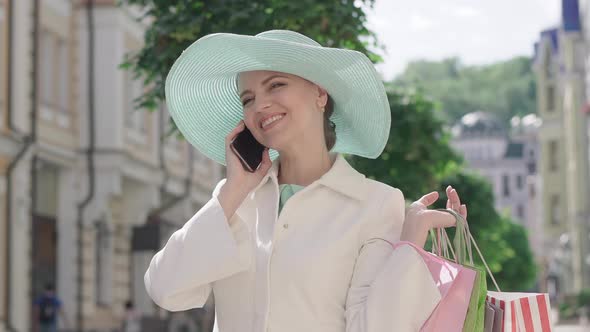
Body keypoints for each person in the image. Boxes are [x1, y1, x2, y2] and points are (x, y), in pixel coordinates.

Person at [145, 30, 468, 332]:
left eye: (276, 85)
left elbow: (374, 325)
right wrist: (235, 188)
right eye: (247, 99)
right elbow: (167, 290)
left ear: (319, 93)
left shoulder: (375, 203)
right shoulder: (235, 199)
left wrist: (409, 246)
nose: (260, 105)